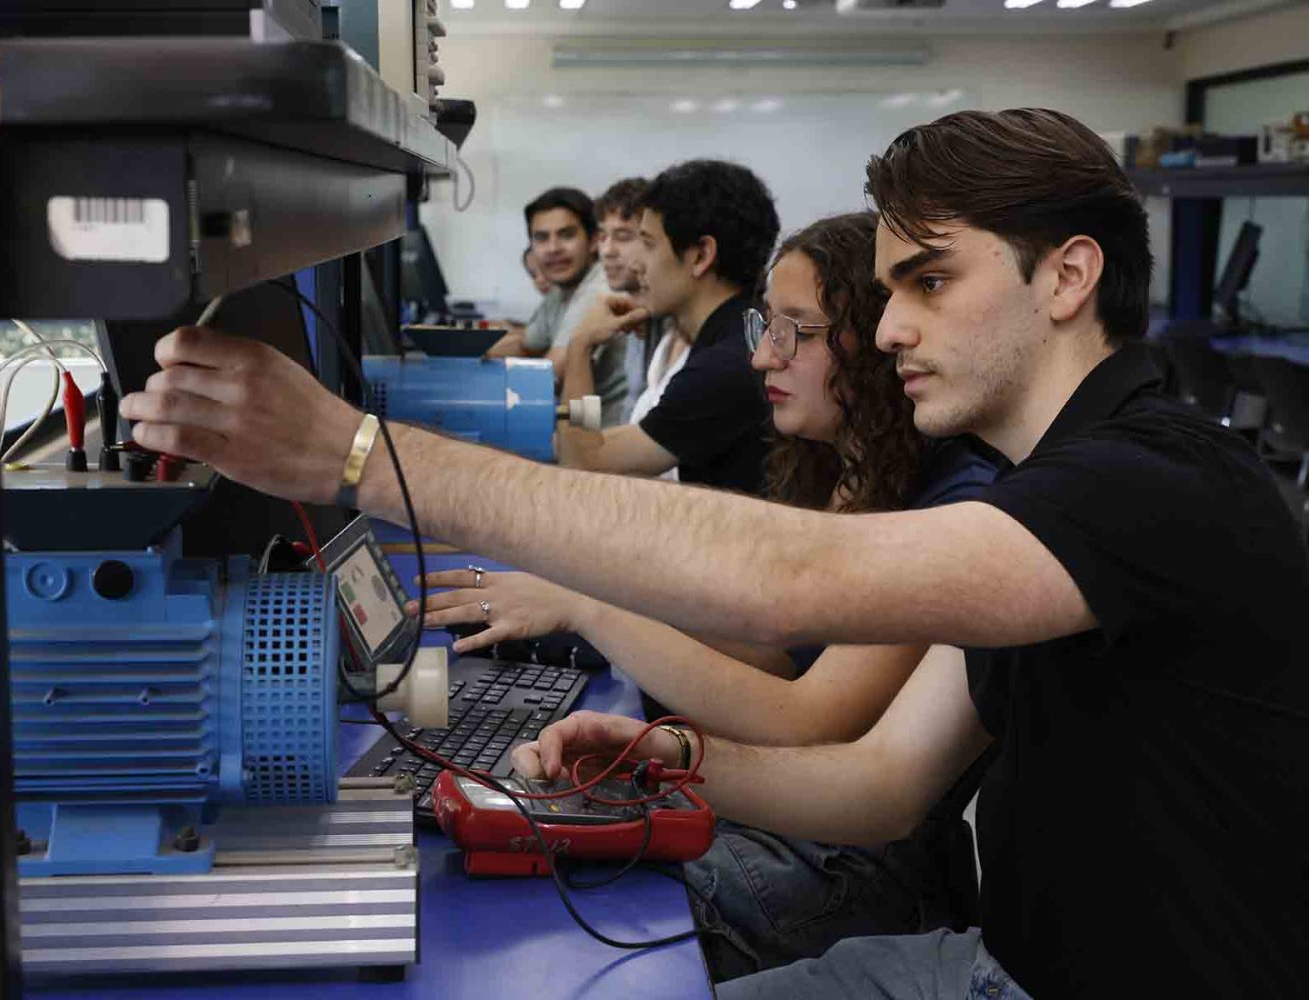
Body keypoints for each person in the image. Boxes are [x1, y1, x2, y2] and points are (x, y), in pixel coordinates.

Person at [119, 108, 1309, 997]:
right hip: (996, 963)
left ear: (1069, 276)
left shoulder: (1155, 482)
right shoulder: (1052, 491)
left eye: (931, 281)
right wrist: (666, 758)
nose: (891, 328)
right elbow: (881, 782)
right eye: (888, 290)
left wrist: (358, 455)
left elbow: (790, 582)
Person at [412, 212, 999, 981]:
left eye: (794, 331)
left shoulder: (949, 504)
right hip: (803, 833)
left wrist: (591, 610)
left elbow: (806, 718)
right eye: (765, 326)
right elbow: (775, 653)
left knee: (545, 912)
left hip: (849, 868)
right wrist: (587, 599)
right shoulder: (845, 468)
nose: (762, 356)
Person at [554, 160, 777, 493]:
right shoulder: (734, 335)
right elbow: (592, 444)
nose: (636, 263)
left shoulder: (724, 366)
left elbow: (582, 462)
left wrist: (580, 348)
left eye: (648, 243)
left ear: (700, 255)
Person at [487, 187, 630, 427]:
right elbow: (527, 344)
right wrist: (472, 350)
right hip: (581, 425)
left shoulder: (599, 289)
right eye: (541, 238)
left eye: (567, 235)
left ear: (593, 241)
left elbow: (547, 376)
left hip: (606, 434)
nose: (553, 248)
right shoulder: (560, 291)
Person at [589, 176, 666, 418]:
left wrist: (580, 345)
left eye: (622, 237)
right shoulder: (625, 308)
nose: (607, 251)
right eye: (603, 236)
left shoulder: (671, 319)